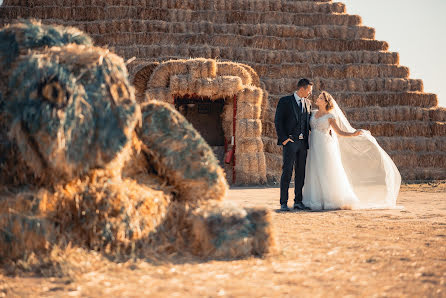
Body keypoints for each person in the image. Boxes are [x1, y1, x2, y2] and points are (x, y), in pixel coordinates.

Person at [303, 91, 401, 210]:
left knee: (326, 171)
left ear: (326, 102)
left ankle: (330, 200)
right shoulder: (312, 114)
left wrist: (353, 134)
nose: (317, 99)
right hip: (313, 145)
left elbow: (339, 132)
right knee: (313, 170)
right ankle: (315, 200)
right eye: (318, 97)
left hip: (324, 146)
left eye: (320, 98)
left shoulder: (330, 117)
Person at [274, 78, 313, 211]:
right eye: (309, 90)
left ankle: (298, 201)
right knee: (287, 172)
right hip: (290, 142)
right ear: (302, 89)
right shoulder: (285, 101)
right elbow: (278, 121)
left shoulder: (308, 103)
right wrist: (284, 139)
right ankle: (283, 202)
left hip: (303, 144)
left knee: (300, 173)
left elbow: (308, 123)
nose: (310, 93)